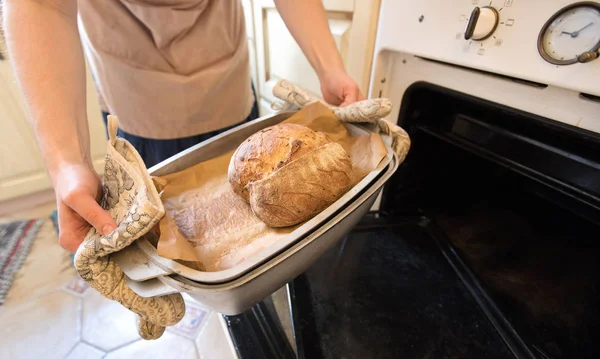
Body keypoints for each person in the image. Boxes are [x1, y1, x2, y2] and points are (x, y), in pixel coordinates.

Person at [2, 0, 365, 253]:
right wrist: (67, 161)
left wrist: (329, 67)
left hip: (227, 79)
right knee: (171, 237)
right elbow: (42, 4)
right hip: (138, 97)